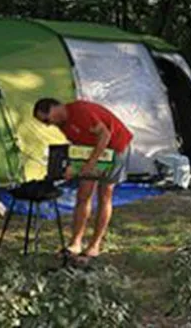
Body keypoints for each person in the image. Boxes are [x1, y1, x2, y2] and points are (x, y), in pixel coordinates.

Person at [33, 97, 133, 261]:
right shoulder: (62, 124)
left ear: (53, 109)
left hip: (116, 147)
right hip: (92, 152)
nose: (47, 124)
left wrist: (91, 163)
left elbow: (105, 136)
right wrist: (74, 169)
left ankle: (94, 245)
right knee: (83, 195)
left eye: (46, 119)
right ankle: (75, 243)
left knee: (104, 195)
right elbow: (79, 147)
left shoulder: (80, 111)